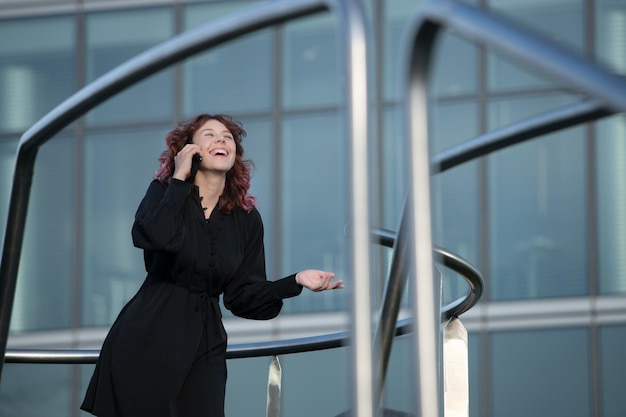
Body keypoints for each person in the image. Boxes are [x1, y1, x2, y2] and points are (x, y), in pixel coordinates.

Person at [80, 113, 344, 417]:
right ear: (189, 151)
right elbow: (151, 236)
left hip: (206, 341)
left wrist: (295, 280)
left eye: (227, 137)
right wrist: (178, 179)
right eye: (209, 134)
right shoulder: (164, 193)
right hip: (148, 334)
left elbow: (242, 298)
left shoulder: (246, 218)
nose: (221, 139)